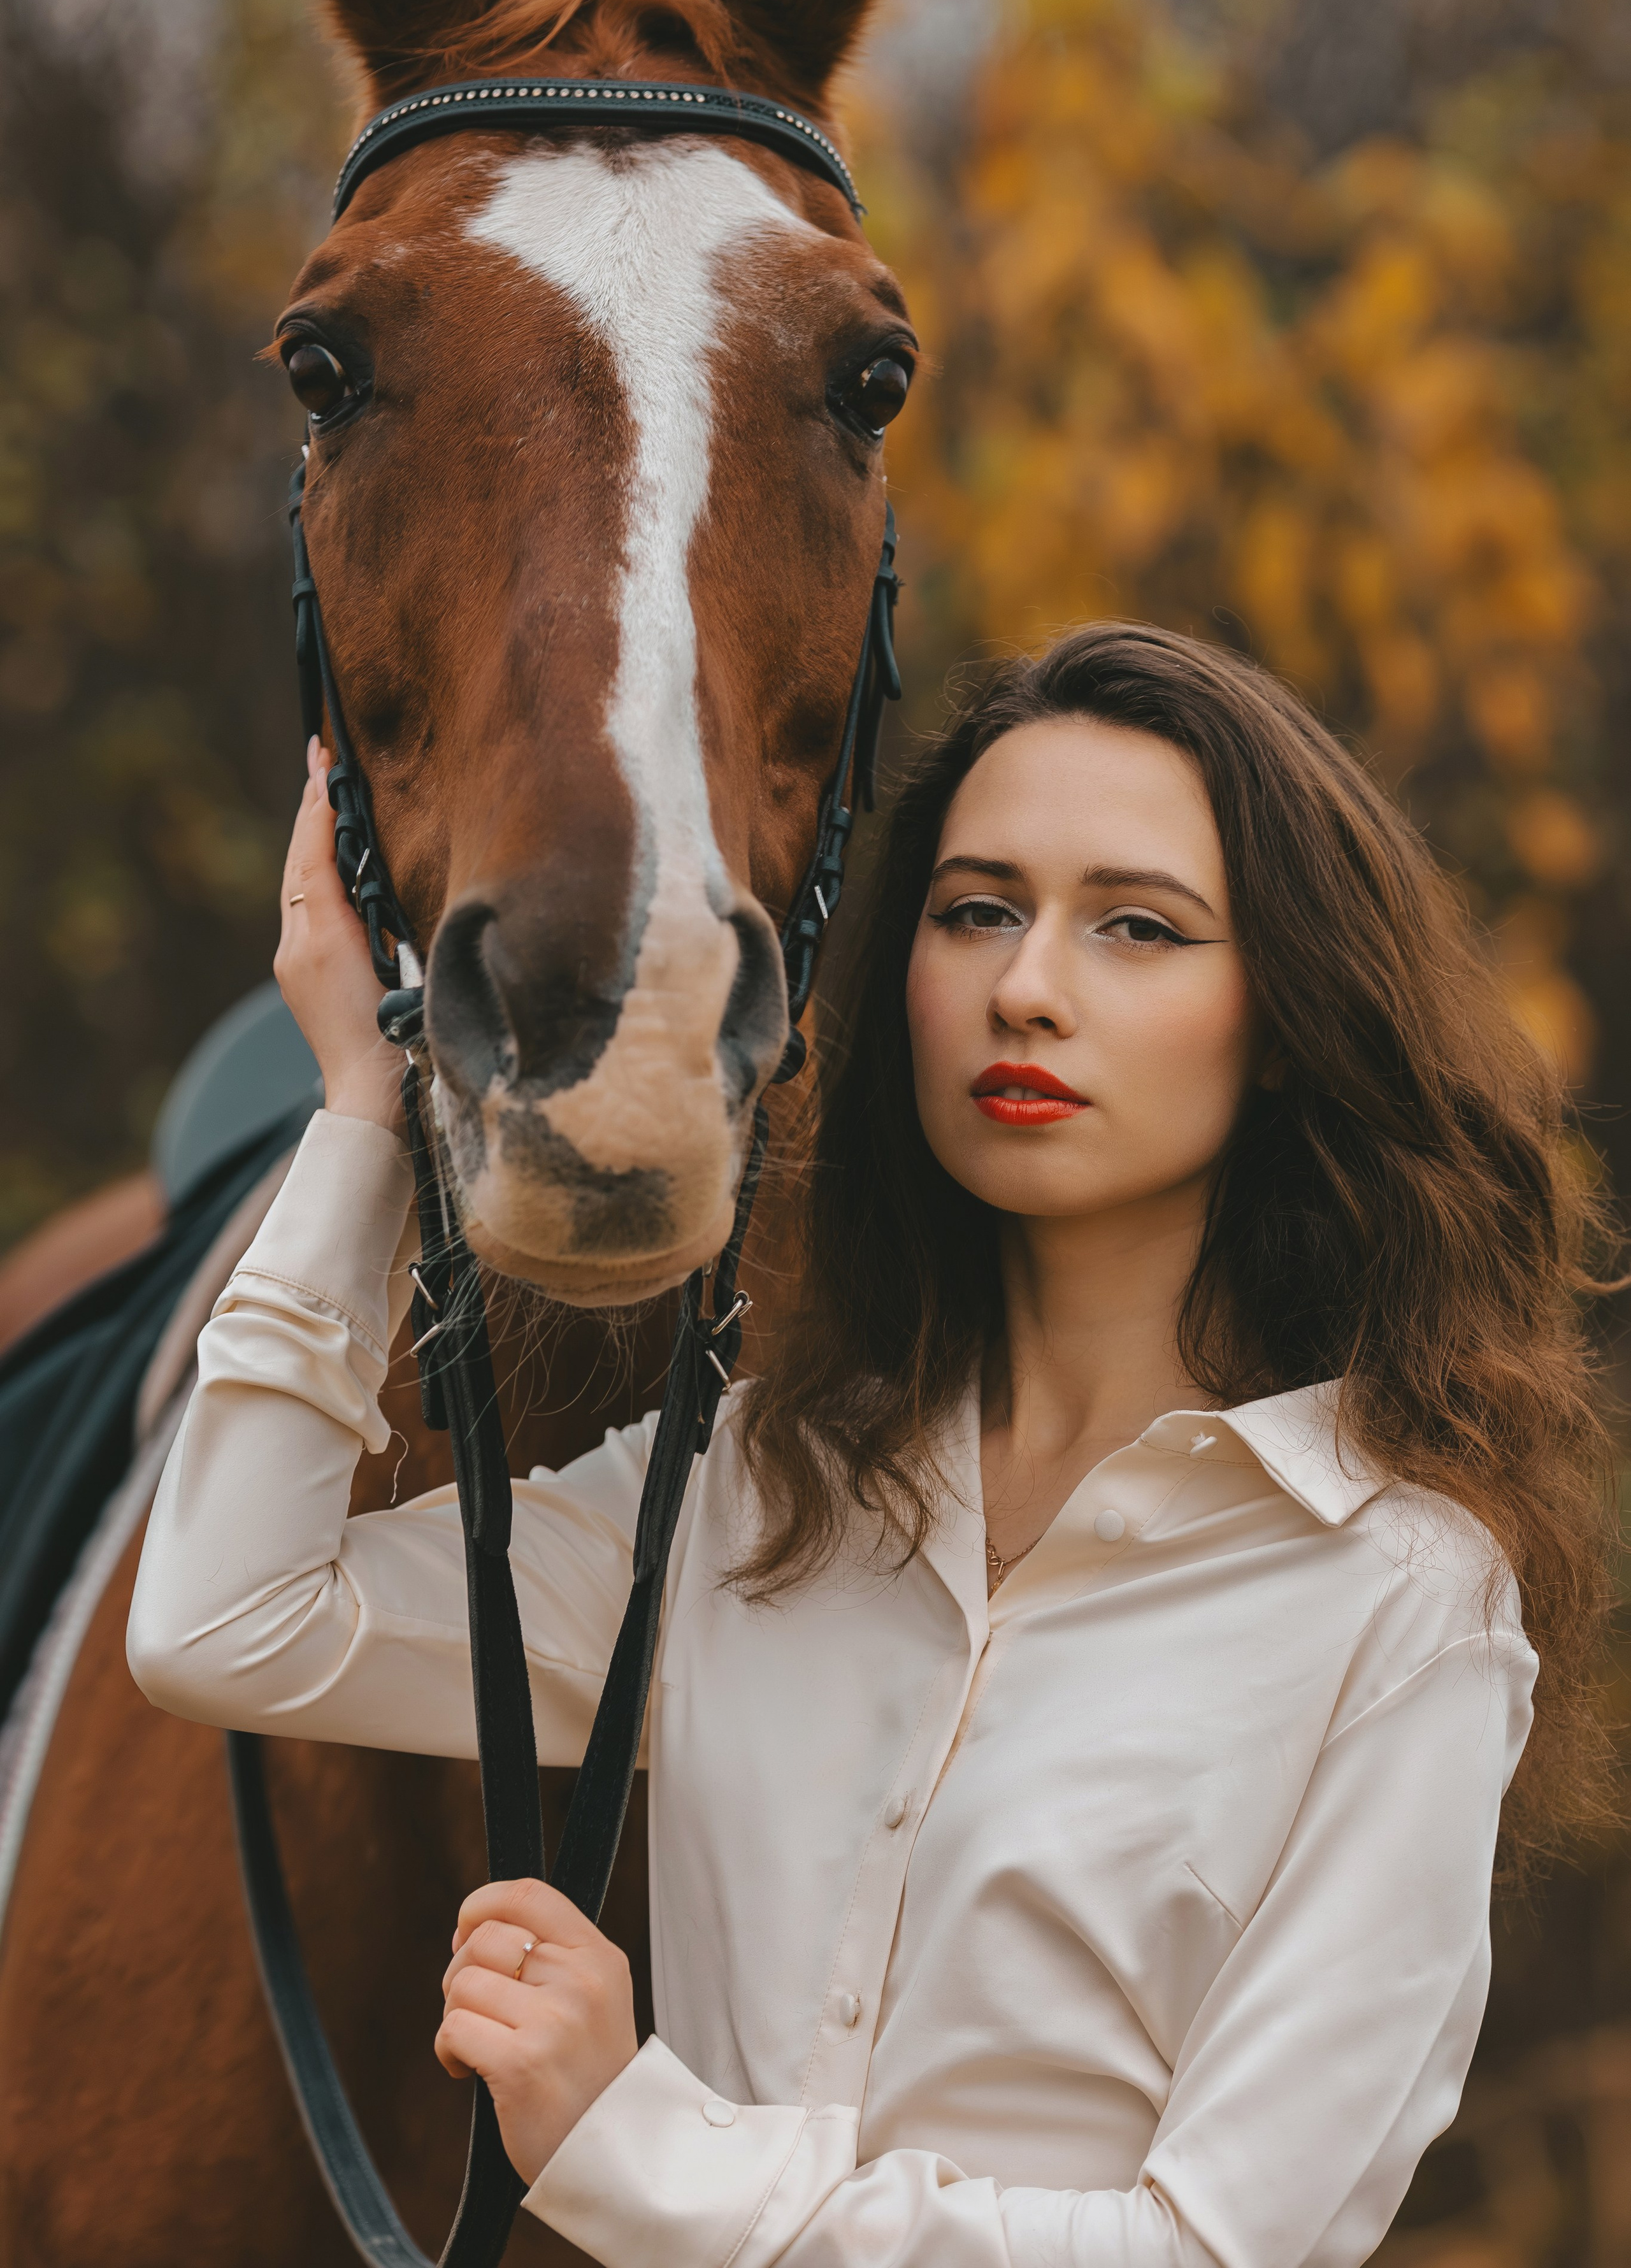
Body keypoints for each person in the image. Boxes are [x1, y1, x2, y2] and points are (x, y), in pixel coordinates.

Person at [129, 624, 1614, 2268]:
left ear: (1287, 1010)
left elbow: (1219, 2249)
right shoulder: (757, 1486)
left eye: (1138, 927)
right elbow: (228, 1625)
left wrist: (635, 2144)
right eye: (978, 910)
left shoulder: (1398, 1599)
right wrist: (365, 1101)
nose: (1026, 987)